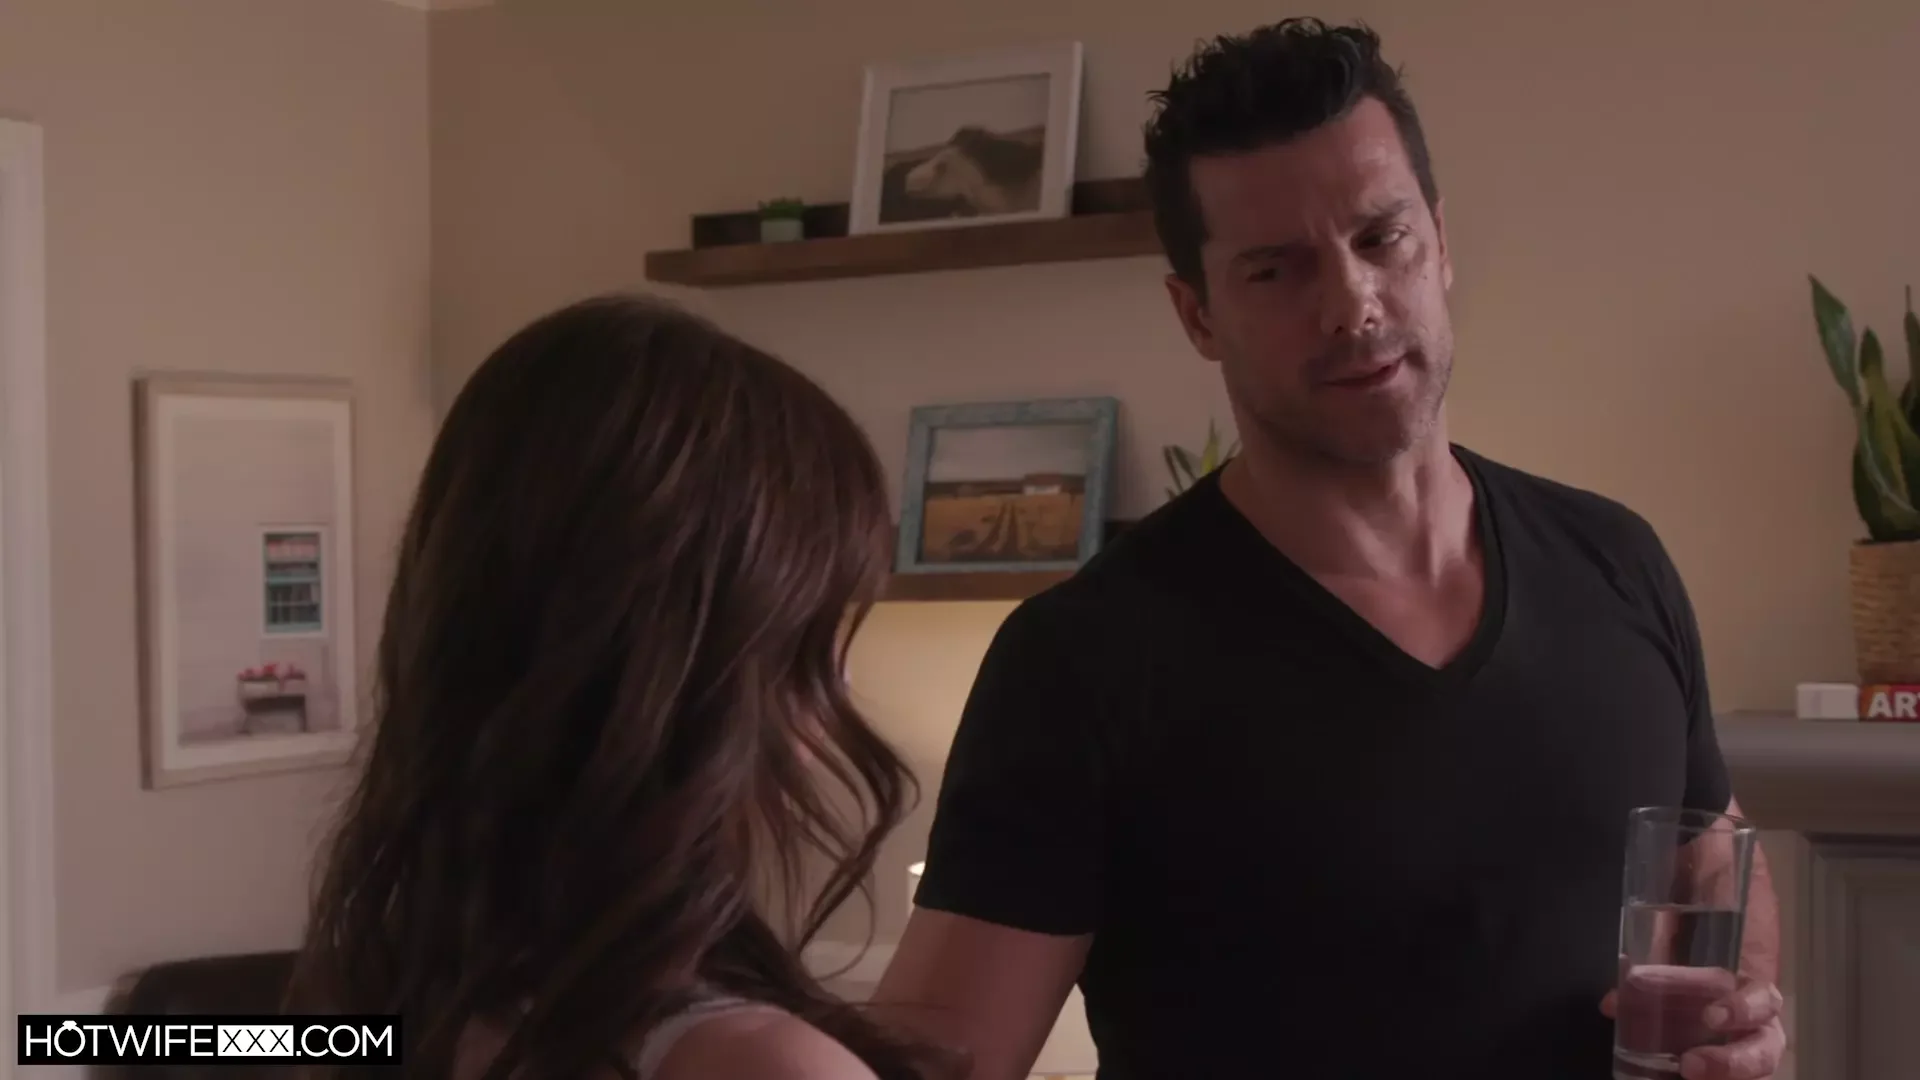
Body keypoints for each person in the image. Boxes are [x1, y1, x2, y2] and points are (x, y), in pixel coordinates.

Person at [873, 19, 1786, 1080]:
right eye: (1277, 270)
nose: (1352, 305)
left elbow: (1711, 855)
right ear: (1196, 314)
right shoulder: (1082, 661)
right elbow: (937, 1058)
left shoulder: (1618, 562)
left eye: (1382, 239)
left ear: (1440, 243)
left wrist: (1742, 1012)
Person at [286, 296, 957, 1080]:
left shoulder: (380, 1008)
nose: (839, 679)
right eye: (814, 630)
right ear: (695, 663)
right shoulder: (765, 1067)